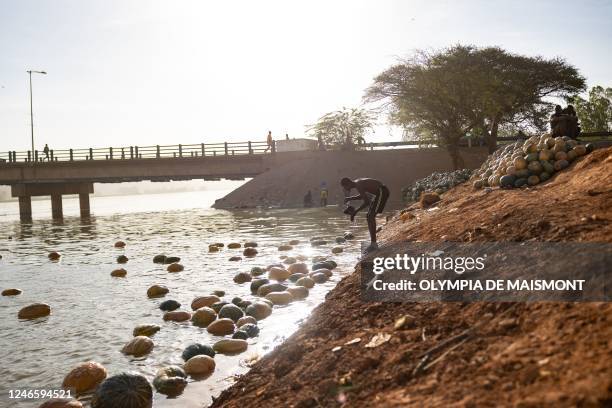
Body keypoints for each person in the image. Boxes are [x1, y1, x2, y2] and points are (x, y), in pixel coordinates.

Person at [341, 177, 390, 251]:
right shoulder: (358, 184)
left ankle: (374, 244)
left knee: (370, 216)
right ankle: (373, 243)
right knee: (369, 216)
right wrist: (350, 198)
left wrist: (355, 212)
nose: (345, 189)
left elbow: (367, 202)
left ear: (348, 184)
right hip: (379, 193)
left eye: (345, 187)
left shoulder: (358, 185)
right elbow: (362, 196)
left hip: (382, 191)